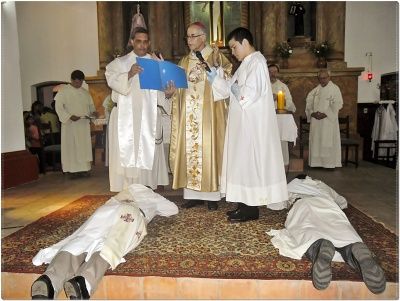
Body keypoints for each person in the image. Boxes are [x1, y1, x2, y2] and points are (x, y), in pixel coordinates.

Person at [30, 184, 179, 299]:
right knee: (112, 244)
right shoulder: (152, 196)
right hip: (131, 213)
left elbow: (113, 200)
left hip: (106, 211)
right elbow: (173, 209)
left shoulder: (126, 191)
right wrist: (156, 199)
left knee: (82, 240)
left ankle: (49, 280)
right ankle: (82, 282)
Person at [208, 27, 288, 222]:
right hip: (242, 125)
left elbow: (246, 95)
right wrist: (216, 77)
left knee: (248, 164)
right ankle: (243, 205)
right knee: (242, 165)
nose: (232, 53)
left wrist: (227, 83)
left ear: (245, 43)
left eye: (234, 47)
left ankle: (250, 209)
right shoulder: (246, 63)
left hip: (251, 126)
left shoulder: (258, 63)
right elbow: (229, 90)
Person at [267, 175, 386, 294]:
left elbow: (275, 204)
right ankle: (352, 249)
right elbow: (342, 202)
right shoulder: (320, 184)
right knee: (341, 227)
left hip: (303, 204)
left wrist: (286, 201)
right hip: (327, 204)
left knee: (305, 228)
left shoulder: (292, 185)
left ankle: (318, 246)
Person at [169, 21, 232, 211]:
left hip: (209, 115)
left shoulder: (216, 57)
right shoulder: (184, 62)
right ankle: (193, 195)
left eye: (192, 36)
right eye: (187, 36)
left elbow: (227, 79)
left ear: (203, 37)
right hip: (189, 116)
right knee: (190, 151)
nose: (189, 40)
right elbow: (179, 88)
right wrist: (172, 90)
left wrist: (215, 69)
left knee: (209, 149)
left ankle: (212, 195)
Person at [105, 27, 174, 192]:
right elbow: (112, 80)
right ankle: (128, 188)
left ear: (149, 42)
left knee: (148, 150)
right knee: (128, 152)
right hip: (125, 118)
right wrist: (128, 74)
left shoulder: (157, 64)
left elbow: (163, 94)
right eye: (138, 41)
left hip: (149, 117)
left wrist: (169, 94)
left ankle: (148, 186)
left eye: (145, 42)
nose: (142, 45)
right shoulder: (119, 63)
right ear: (131, 42)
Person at [55, 70, 97, 177]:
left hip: (83, 124)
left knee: (83, 146)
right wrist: (69, 116)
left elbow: (91, 107)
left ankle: (84, 169)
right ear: (72, 80)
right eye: (77, 82)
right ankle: (72, 171)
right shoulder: (63, 91)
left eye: (81, 82)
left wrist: (93, 113)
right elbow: (59, 108)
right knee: (72, 146)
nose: (79, 84)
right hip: (70, 125)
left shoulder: (85, 92)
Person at [305, 69, 343, 168]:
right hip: (316, 122)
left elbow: (338, 103)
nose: (322, 80)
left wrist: (325, 114)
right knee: (316, 141)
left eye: (324, 78)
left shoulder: (335, 89)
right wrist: (312, 113)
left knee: (327, 141)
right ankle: (316, 163)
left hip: (328, 121)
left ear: (329, 77)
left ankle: (329, 164)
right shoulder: (315, 90)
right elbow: (309, 103)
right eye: (320, 78)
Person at [268, 63, 296, 168]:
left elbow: (290, 103)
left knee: (281, 139)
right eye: (270, 72)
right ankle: (269, 163)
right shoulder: (264, 85)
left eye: (274, 72)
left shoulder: (283, 87)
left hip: (280, 118)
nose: (272, 74)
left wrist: (280, 99)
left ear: (278, 73)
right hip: (267, 118)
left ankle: (283, 163)